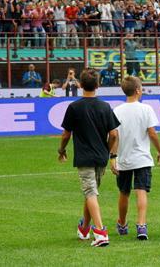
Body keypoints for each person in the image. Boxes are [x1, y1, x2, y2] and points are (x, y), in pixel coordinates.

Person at [58, 68, 120, 247]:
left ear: (81, 85)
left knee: (90, 193)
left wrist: (61, 150)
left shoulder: (74, 107)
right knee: (90, 193)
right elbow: (114, 135)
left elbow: (66, 134)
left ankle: (100, 233)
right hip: (101, 156)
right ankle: (85, 228)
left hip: (84, 157)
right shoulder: (104, 106)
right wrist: (108, 152)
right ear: (98, 85)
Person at [112, 76, 160, 240]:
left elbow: (114, 136)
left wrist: (112, 158)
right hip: (142, 158)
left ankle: (122, 223)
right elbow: (152, 133)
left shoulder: (117, 110)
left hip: (124, 158)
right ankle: (141, 225)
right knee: (141, 191)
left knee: (124, 192)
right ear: (137, 90)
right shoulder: (146, 109)